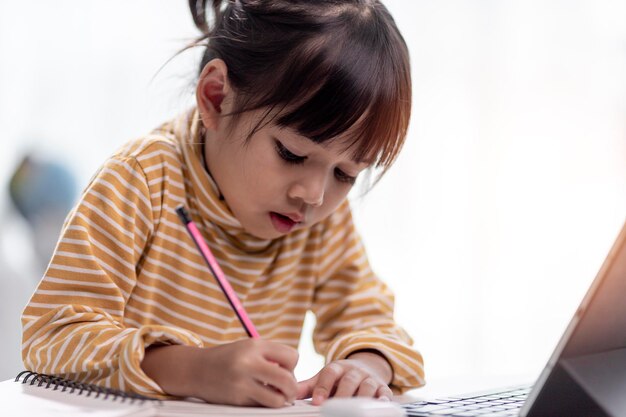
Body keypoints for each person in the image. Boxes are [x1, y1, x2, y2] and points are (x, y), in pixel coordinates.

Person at [21, 0, 425, 408]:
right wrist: (192, 369)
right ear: (215, 98)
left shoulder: (319, 218)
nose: (314, 195)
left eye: (346, 175)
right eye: (291, 153)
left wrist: (367, 365)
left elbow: (370, 319)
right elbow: (52, 335)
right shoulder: (140, 181)